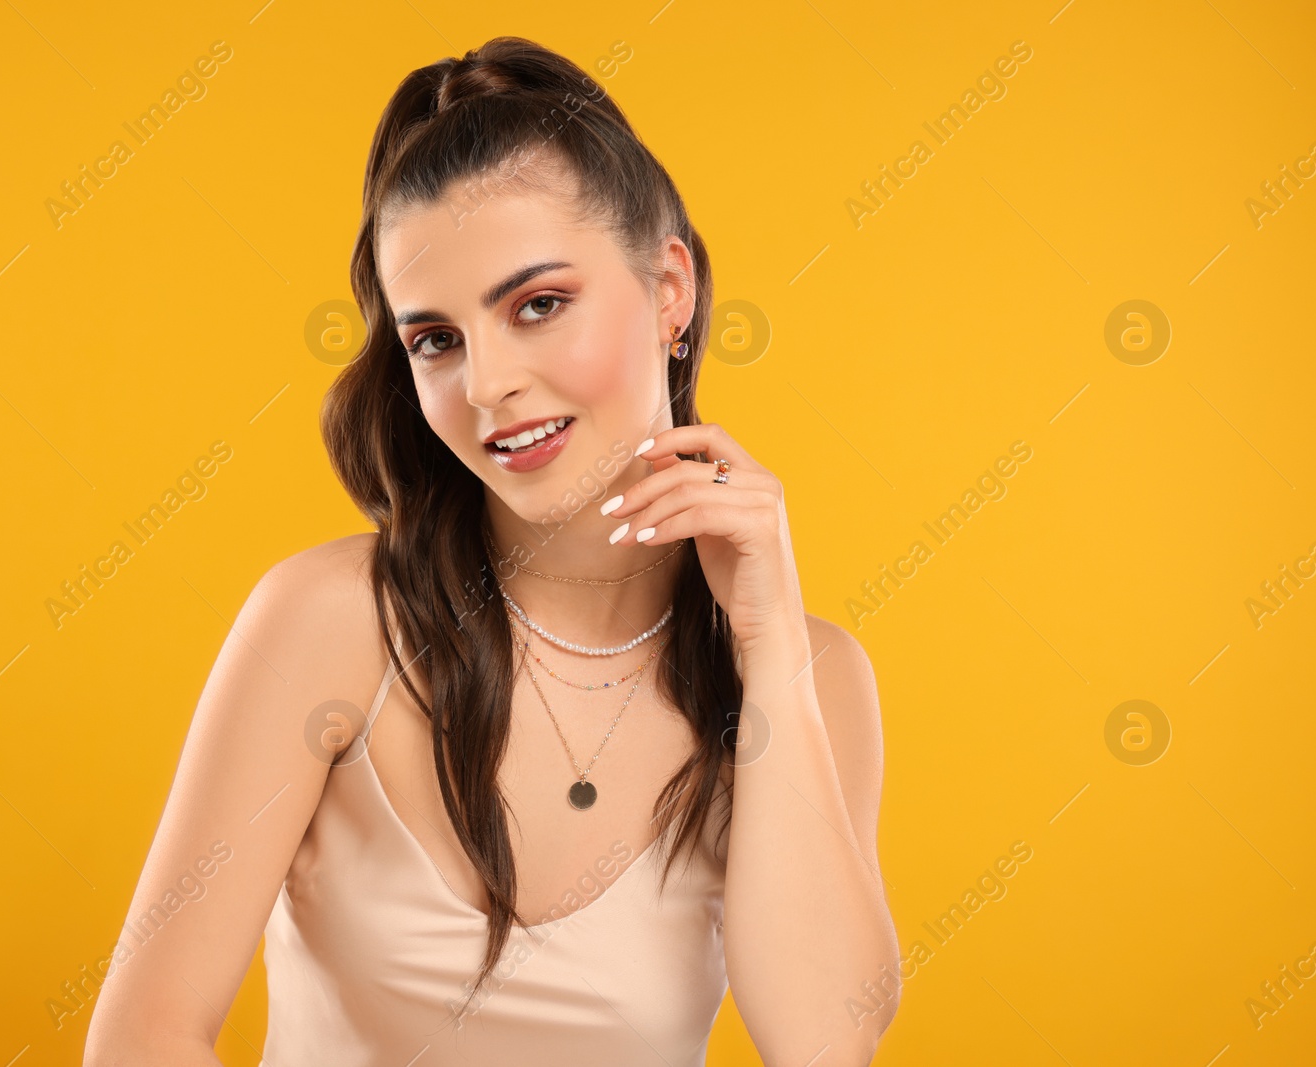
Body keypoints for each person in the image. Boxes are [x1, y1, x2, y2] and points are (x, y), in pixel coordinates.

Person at [85, 35, 899, 1067]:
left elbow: (823, 1042)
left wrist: (769, 640)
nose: (485, 385)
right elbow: (144, 1035)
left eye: (537, 305)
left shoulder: (813, 676)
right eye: (436, 339)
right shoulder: (332, 623)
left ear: (669, 291)